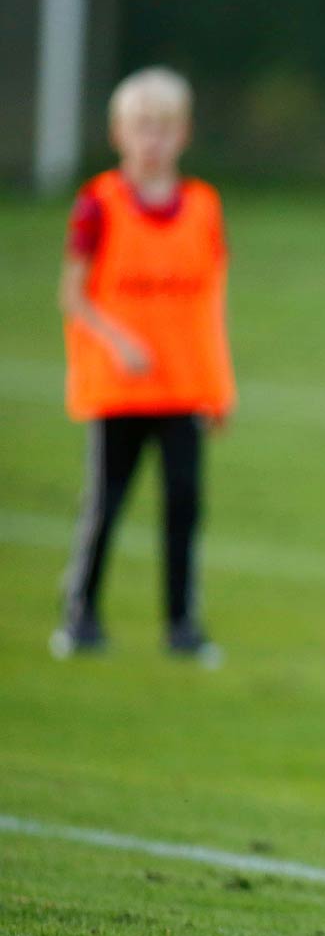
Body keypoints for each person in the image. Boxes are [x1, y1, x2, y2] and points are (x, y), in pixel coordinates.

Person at [51, 67, 235, 665]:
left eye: (163, 127)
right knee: (106, 502)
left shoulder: (203, 207)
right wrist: (118, 340)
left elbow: (211, 303)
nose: (152, 139)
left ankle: (182, 624)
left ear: (183, 134)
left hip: (182, 385)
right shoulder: (97, 205)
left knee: (184, 503)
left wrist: (219, 385)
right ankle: (81, 614)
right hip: (120, 387)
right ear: (118, 132)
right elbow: (74, 294)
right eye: (141, 127)